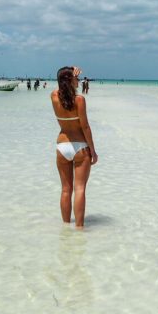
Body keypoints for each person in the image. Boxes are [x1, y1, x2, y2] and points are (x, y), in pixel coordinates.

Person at [51, 66, 98, 229]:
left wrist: (69, 74)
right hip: (80, 148)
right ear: (70, 80)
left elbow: (60, 87)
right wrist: (93, 150)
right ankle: (79, 228)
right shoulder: (79, 100)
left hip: (62, 146)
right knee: (80, 189)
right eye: (76, 78)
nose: (78, 80)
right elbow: (85, 127)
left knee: (66, 189)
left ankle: (65, 227)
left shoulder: (54, 96)